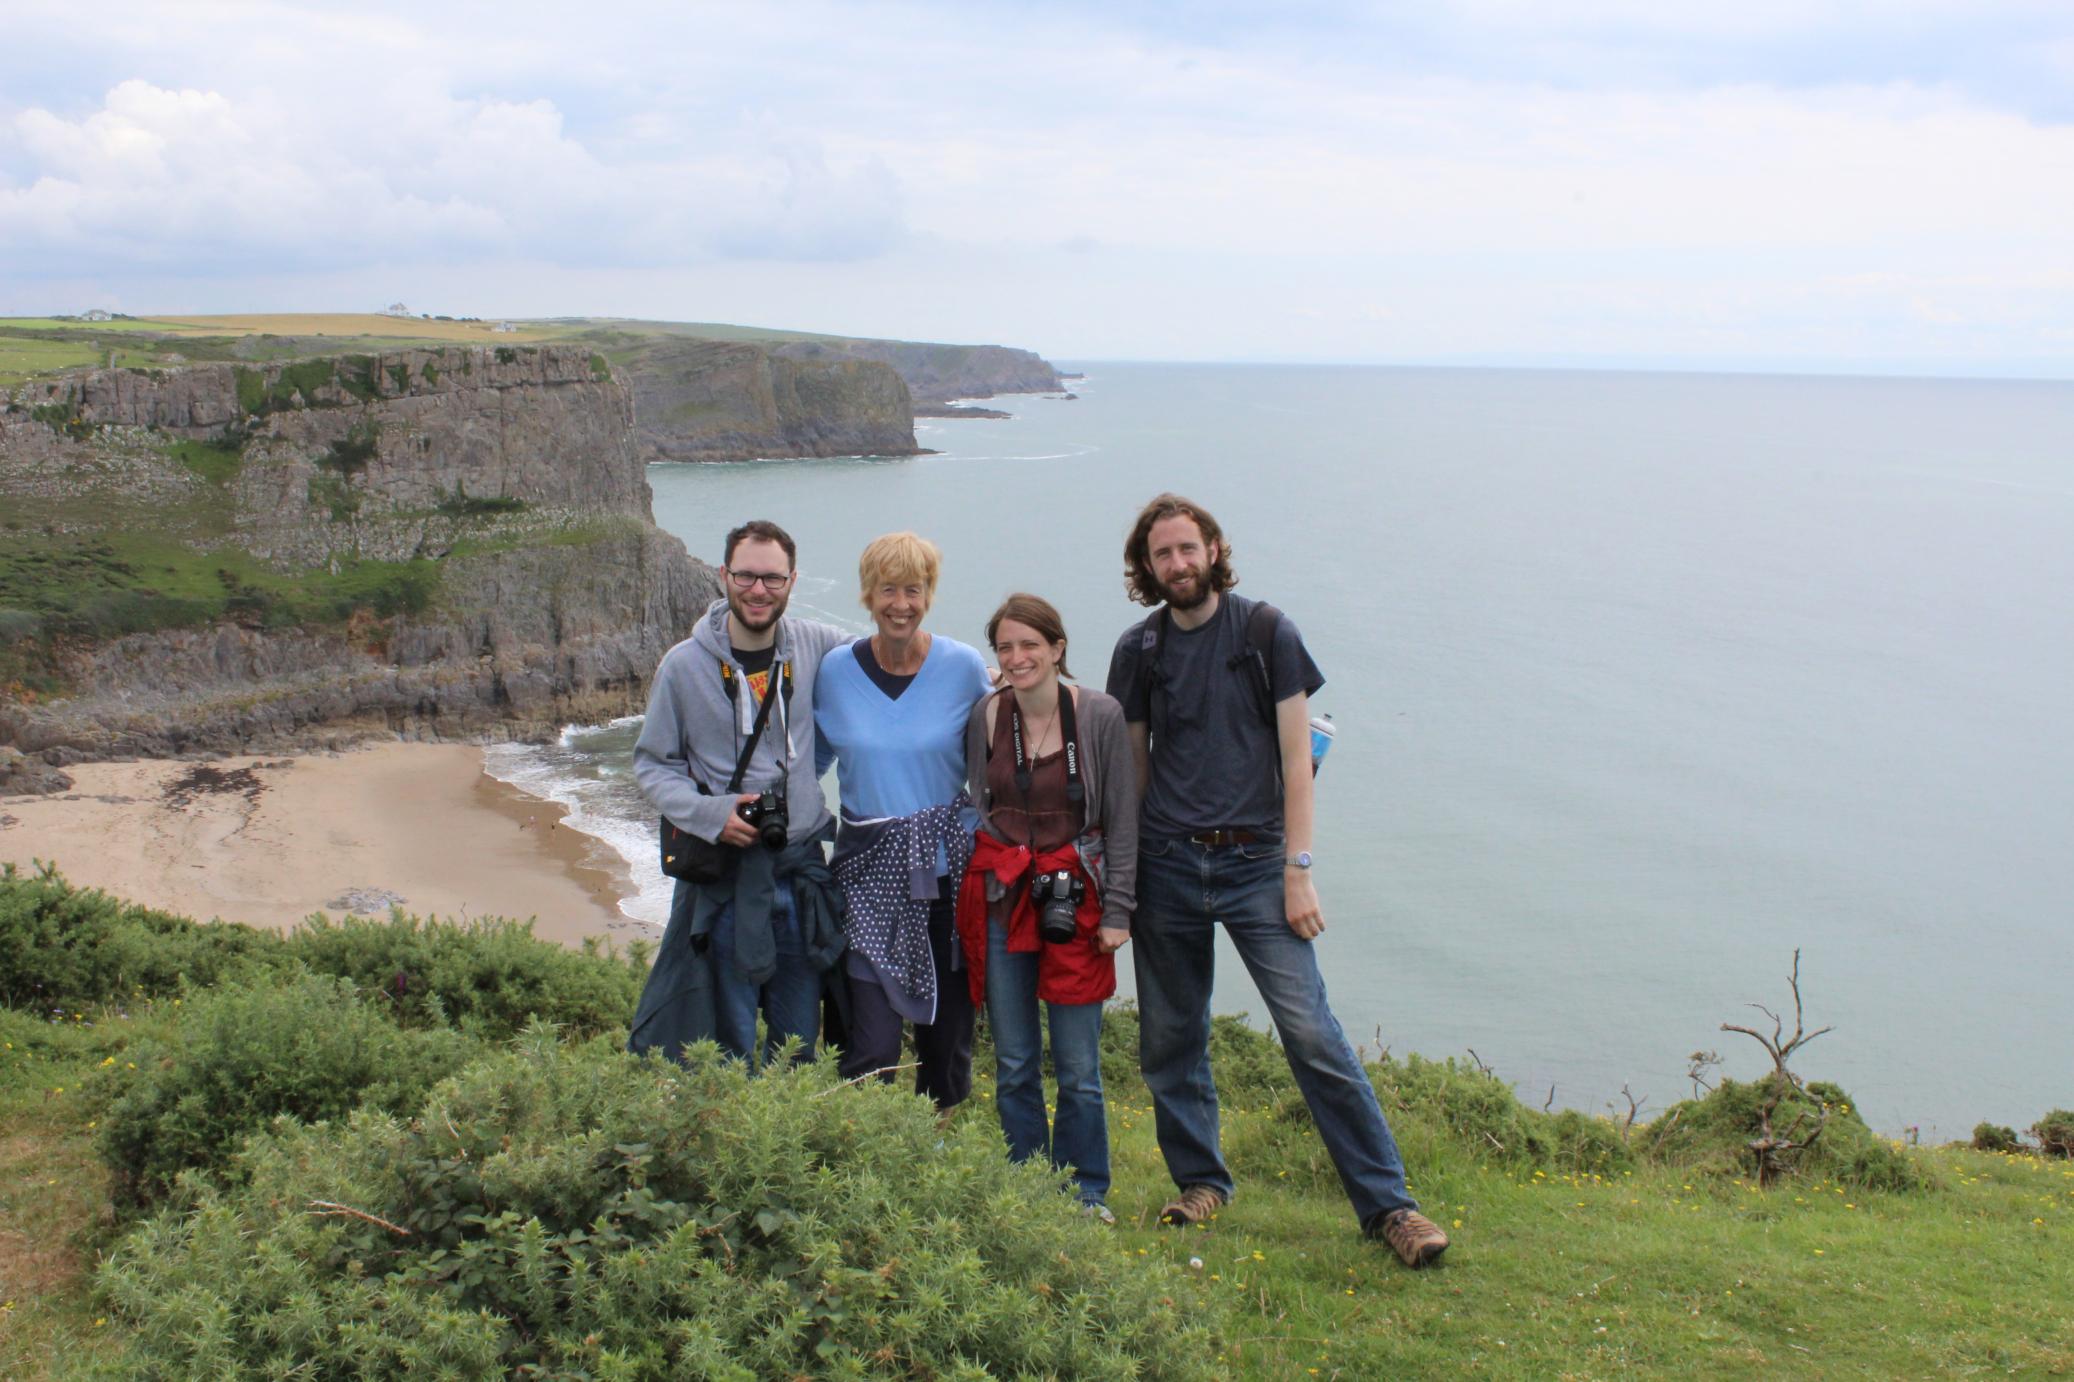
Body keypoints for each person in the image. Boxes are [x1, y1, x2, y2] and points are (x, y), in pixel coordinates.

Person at [1105, 492, 1450, 1269]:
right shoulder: (1139, 649)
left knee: (1312, 1034)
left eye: (1188, 548)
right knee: (1169, 1037)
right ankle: (1200, 1183)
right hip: (1166, 865)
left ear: (1215, 549)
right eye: (1162, 554)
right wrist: (1123, 885)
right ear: (1147, 567)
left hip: (1257, 864)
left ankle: (1391, 1207)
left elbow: (1300, 763)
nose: (1178, 564)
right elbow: (1131, 775)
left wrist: (1300, 871)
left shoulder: (1265, 632)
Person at [628, 520, 850, 1068]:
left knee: (797, 1044)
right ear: (724, 575)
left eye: (772, 578)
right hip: (726, 880)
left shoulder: (818, 646)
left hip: (800, 877)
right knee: (725, 1043)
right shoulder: (683, 666)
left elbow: (895, 654)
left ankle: (785, 1145)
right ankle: (731, 1143)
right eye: (747, 575)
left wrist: (980, 672)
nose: (759, 590)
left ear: (792, 581)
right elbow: (653, 765)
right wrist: (711, 815)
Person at [956, 594, 1136, 1222]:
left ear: (1058, 648)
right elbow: (978, 798)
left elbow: (1121, 821)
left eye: (1030, 644)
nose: (1017, 658)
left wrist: (1120, 911)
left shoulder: (1099, 716)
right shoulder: (986, 715)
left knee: (1079, 1065)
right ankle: (1030, 1186)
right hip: (1006, 897)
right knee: (1013, 1061)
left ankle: (1087, 1191)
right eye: (1005, 647)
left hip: (1077, 903)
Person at [815, 533, 994, 1108]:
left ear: (929, 595)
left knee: (947, 1046)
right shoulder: (835, 671)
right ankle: (865, 1161)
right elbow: (804, 762)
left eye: (913, 590)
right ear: (867, 595)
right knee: (870, 1045)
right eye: (887, 589)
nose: (901, 604)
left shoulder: (965, 668)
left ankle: (930, 1159)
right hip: (865, 877)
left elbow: (1002, 752)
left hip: (947, 876)